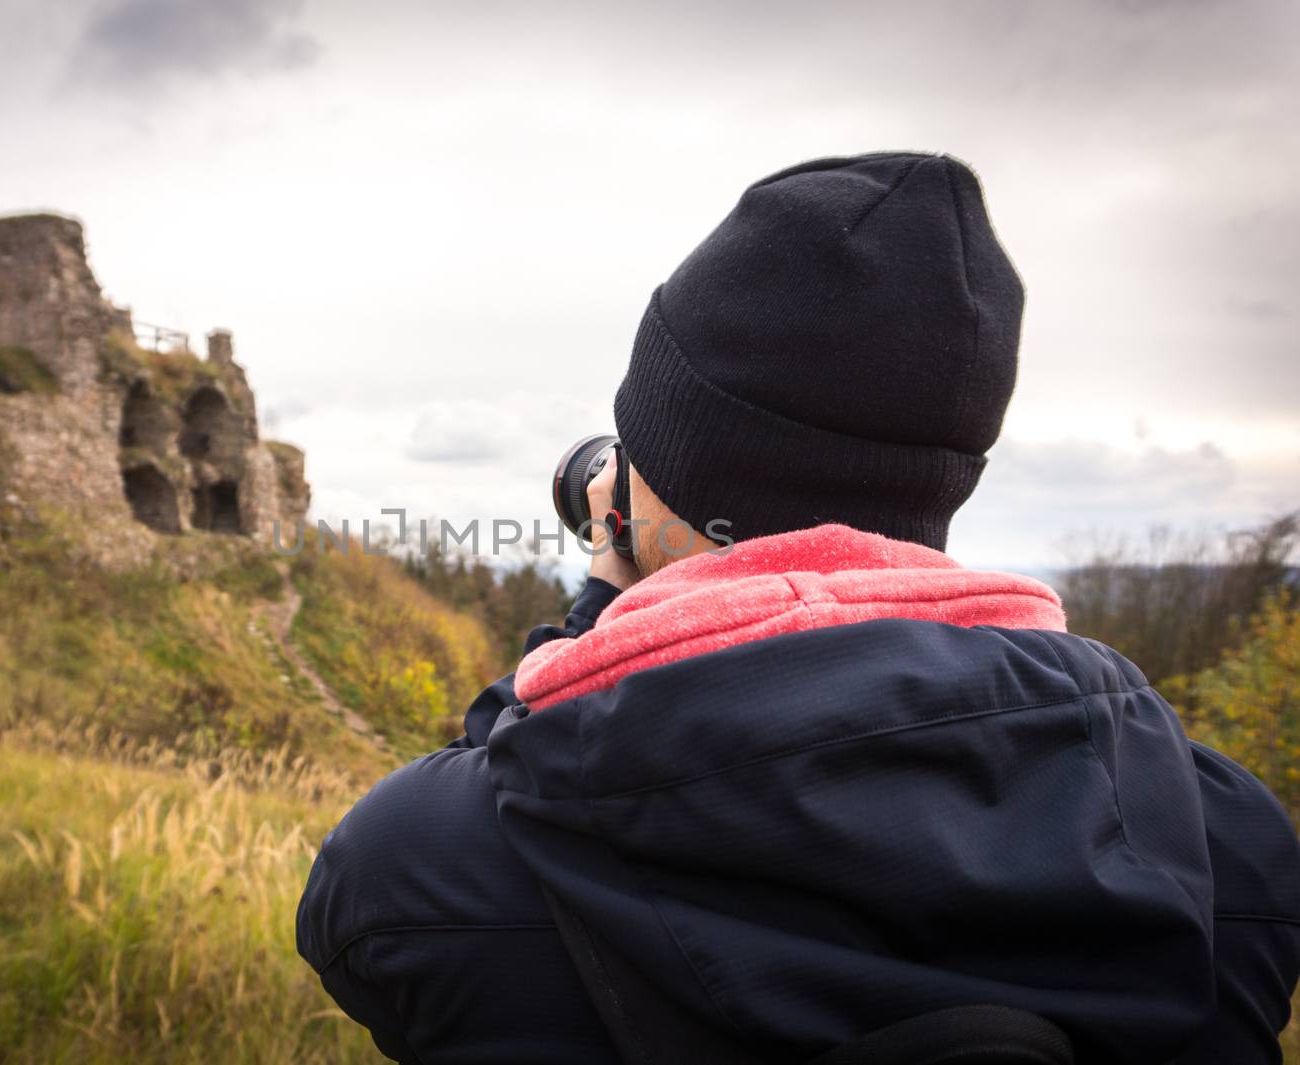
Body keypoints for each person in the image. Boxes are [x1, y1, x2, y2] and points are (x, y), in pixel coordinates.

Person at [295, 152, 1300, 1063]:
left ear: (652, 478)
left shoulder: (421, 869)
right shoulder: (1230, 848)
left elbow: (489, 789)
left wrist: (597, 613)